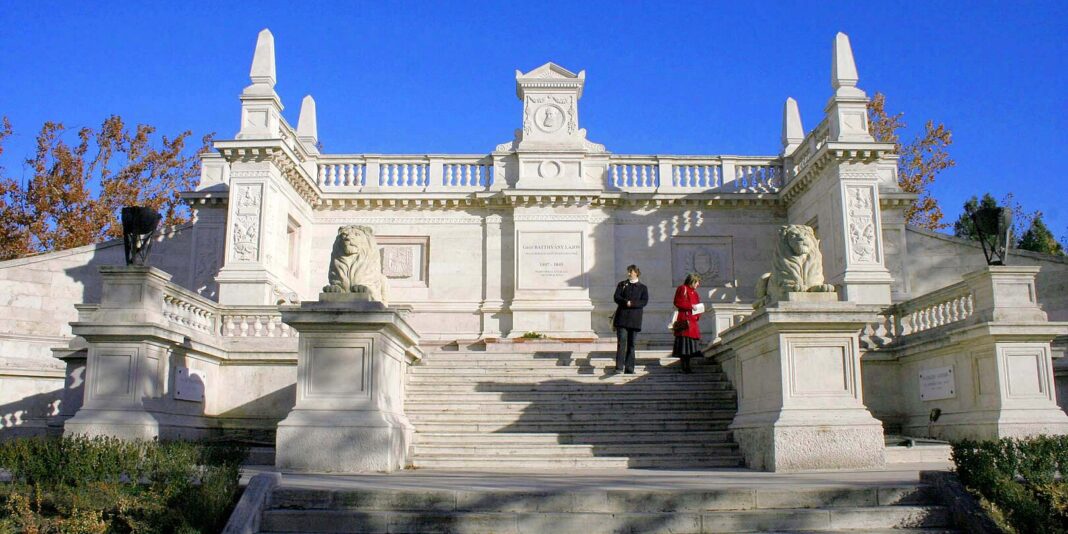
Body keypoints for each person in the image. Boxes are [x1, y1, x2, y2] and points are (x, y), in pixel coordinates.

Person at [612, 265, 648, 374]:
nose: (628, 274)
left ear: (636, 273)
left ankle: (629, 368)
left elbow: (644, 301)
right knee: (621, 342)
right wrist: (625, 302)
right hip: (622, 319)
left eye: (630, 272)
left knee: (631, 344)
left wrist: (631, 303)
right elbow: (616, 297)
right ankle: (618, 367)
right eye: (628, 272)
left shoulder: (643, 287)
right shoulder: (622, 284)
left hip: (635, 320)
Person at [672, 273, 703, 373]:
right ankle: (684, 366)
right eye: (697, 282)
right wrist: (691, 306)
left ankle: (688, 366)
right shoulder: (682, 288)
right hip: (684, 321)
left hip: (693, 322)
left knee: (690, 346)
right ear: (692, 281)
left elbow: (698, 306)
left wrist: (698, 314)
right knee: (683, 345)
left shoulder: (695, 293)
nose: (698, 284)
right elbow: (677, 302)